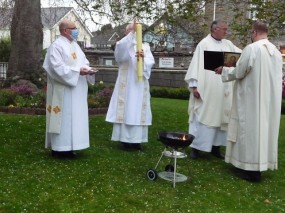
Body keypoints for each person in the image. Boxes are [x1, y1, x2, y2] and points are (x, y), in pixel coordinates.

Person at [215, 21, 283, 182]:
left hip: (251, 100)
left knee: (249, 132)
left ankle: (249, 168)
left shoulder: (252, 49)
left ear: (254, 33)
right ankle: (260, 165)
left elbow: (239, 71)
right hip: (269, 102)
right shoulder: (275, 51)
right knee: (263, 132)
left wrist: (224, 70)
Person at [184, 20, 241, 159]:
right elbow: (195, 66)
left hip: (223, 89)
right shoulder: (204, 44)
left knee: (221, 117)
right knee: (202, 116)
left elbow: (242, 56)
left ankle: (216, 147)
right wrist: (194, 86)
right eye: (224, 29)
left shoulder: (228, 44)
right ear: (215, 29)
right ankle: (196, 148)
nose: (226, 32)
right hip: (206, 88)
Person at [43, 19, 96, 158]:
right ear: (65, 31)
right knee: (64, 118)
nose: (76, 30)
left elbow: (83, 61)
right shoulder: (56, 46)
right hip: (63, 90)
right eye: (73, 28)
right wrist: (78, 71)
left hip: (77, 89)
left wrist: (88, 69)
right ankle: (59, 149)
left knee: (75, 118)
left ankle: (71, 147)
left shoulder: (75, 45)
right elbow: (56, 68)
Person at [106, 21, 155, 150]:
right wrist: (131, 35)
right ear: (126, 33)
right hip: (126, 85)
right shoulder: (123, 45)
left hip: (139, 85)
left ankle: (137, 141)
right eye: (132, 31)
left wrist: (143, 58)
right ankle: (124, 140)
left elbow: (150, 62)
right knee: (127, 110)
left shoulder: (145, 46)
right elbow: (120, 56)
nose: (134, 33)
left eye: (137, 31)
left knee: (138, 111)